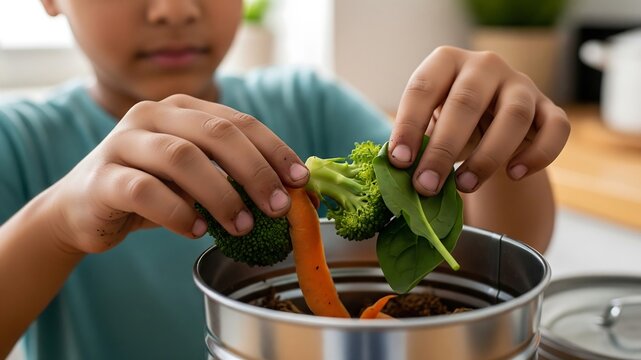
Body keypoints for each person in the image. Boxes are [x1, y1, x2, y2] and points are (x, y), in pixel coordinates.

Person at [0, 0, 570, 359]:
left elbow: (485, 263)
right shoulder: (18, 144)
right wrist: (54, 226)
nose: (174, 9)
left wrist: (493, 147)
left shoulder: (310, 103)